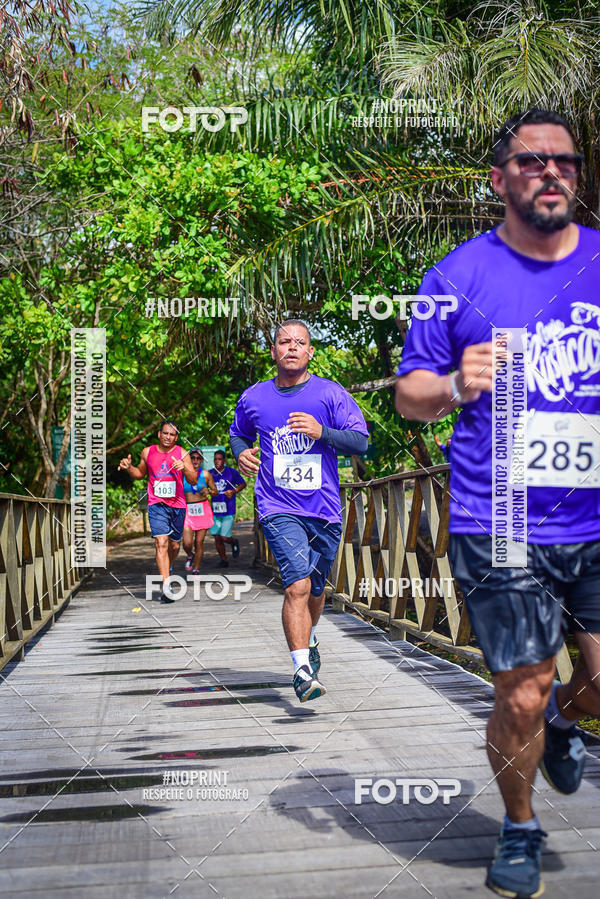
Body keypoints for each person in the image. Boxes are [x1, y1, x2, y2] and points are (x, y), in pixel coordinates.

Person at [395, 108, 600, 898]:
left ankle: (566, 723)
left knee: (573, 690)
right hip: (503, 516)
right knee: (521, 687)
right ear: (500, 178)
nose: (551, 173)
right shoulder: (457, 276)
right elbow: (411, 395)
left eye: (565, 163)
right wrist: (453, 383)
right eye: (531, 162)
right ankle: (520, 825)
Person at [230, 319, 368, 702]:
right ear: (273, 351)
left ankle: (309, 637)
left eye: (299, 342)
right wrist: (241, 450)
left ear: (310, 352)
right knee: (297, 584)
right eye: (283, 341)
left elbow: (360, 442)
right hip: (277, 505)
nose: (291, 347)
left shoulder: (331, 394)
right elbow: (237, 430)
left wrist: (322, 432)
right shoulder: (255, 397)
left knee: (317, 590)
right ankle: (302, 670)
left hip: (323, 509)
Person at [118, 421, 197, 603]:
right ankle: (166, 585)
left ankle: (166, 568)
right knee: (161, 542)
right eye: (166, 433)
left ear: (176, 437)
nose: (168, 437)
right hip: (157, 504)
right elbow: (140, 473)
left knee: (175, 546)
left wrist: (184, 467)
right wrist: (129, 467)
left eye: (173, 435)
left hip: (177, 505)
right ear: (159, 434)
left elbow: (193, 480)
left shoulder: (182, 453)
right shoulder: (148, 451)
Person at [182, 448, 217, 574]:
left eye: (198, 458)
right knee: (187, 543)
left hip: (203, 509)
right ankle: (190, 555)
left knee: (199, 542)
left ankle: (196, 569)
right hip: (187, 510)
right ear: (189, 459)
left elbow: (215, 491)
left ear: (201, 460)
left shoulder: (206, 474)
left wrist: (208, 491)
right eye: (193, 458)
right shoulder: (183, 474)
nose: (195, 460)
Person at [209, 449, 246, 567]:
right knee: (217, 537)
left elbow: (243, 483)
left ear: (224, 460)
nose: (217, 461)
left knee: (224, 537)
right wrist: (208, 492)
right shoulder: (210, 473)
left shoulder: (231, 472)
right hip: (215, 510)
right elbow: (203, 487)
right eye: (215, 459)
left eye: (219, 459)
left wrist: (234, 491)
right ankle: (223, 560)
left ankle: (234, 541)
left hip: (228, 509)